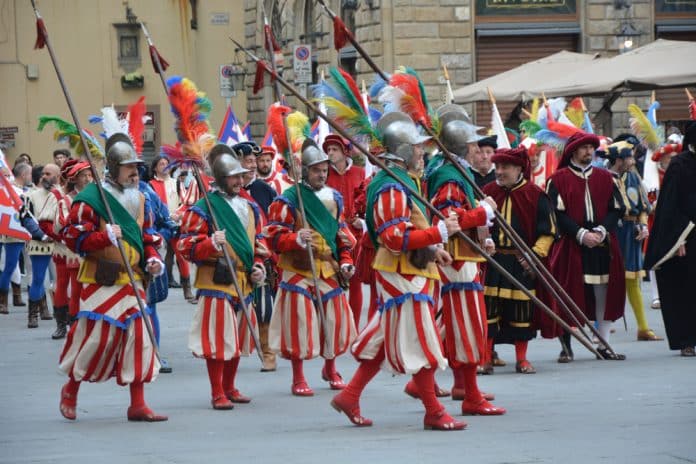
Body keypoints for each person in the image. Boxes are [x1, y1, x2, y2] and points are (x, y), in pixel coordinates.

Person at [331, 112, 465, 431]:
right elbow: (393, 239)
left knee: (383, 338)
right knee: (420, 338)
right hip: (400, 273)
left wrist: (434, 249)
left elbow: (408, 226)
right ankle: (433, 411)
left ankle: (350, 396)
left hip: (407, 269)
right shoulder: (391, 186)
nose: (422, 152)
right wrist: (439, 234)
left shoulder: (400, 179)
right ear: (403, 150)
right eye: (417, 147)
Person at [59, 133, 167, 421]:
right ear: (113, 167)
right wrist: (100, 237)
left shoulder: (141, 198)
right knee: (97, 340)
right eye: (129, 166)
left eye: (136, 166)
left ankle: (138, 403)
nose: (135, 171)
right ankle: (70, 390)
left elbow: (146, 237)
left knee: (140, 340)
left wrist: (154, 259)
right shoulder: (90, 199)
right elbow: (71, 236)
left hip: (134, 282)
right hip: (101, 282)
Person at [420, 105, 504, 413]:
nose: (476, 148)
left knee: (462, 324)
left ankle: (462, 386)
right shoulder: (449, 175)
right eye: (471, 143)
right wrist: (483, 213)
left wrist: (484, 233)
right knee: (467, 325)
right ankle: (471, 394)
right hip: (456, 259)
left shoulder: (455, 170)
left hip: (464, 254)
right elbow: (450, 217)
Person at [265, 139, 357, 397]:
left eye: (325, 169)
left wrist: (347, 260)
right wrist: (294, 239)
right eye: (316, 169)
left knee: (334, 320)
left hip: (327, 267)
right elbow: (273, 237)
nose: (322, 174)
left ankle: (331, 368)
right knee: (300, 323)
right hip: (299, 269)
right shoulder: (288, 200)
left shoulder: (334, 198)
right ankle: (298, 376)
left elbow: (340, 235)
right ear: (304, 170)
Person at [179, 151, 269, 409]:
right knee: (218, 338)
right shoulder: (203, 208)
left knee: (238, 337)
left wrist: (259, 266)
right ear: (220, 178)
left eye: (240, 176)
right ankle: (217, 391)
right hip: (215, 279)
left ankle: (230, 386)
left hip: (244, 279)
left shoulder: (250, 206)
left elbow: (259, 242)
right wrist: (209, 243)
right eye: (233, 177)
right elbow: (185, 246)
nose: (239, 181)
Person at [547, 131, 626, 362]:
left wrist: (601, 231)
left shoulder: (606, 177)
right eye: (584, 148)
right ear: (573, 151)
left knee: (605, 292)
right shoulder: (558, 179)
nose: (589, 151)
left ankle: (604, 345)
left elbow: (617, 209)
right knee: (567, 292)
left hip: (603, 243)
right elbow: (555, 213)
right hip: (571, 243)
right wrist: (580, 234)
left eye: (592, 148)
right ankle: (567, 346)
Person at [482, 146, 556, 374]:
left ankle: (522, 359)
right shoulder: (487, 191)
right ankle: (485, 358)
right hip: (492, 261)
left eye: (505, 167)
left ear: (518, 169)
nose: (499, 171)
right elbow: (477, 225)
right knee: (488, 312)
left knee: (521, 312)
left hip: (522, 262)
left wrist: (534, 255)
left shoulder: (535, 194)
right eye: (498, 167)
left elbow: (549, 231)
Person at [601, 141, 662, 342]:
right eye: (629, 157)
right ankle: (599, 327)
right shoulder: (602, 178)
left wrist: (643, 226)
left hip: (632, 233)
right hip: (613, 233)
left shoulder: (633, 176)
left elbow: (644, 207)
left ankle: (643, 328)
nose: (633, 161)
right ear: (618, 160)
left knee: (634, 281)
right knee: (606, 282)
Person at [645, 122, 696, 357]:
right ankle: (686, 339)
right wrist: (678, 240)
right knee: (685, 289)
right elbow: (670, 206)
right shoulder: (679, 165)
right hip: (686, 237)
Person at [235, 141, 279, 372]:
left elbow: (275, 220)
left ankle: (268, 352)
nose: (252, 166)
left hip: (261, 254)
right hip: (236, 257)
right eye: (248, 161)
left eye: (254, 161)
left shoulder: (265, 190)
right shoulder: (227, 193)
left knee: (264, 307)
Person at [324, 134, 366, 329]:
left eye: (334, 149)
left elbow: (366, 199)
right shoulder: (324, 174)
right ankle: (338, 327)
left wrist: (362, 220)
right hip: (332, 233)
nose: (330, 153)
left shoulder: (359, 172)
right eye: (328, 150)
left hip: (355, 235)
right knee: (333, 281)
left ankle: (355, 328)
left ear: (344, 152)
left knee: (355, 281)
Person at [53, 160, 92, 337]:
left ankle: (90, 324)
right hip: (74, 251)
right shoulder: (66, 200)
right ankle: (71, 325)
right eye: (84, 176)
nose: (88, 179)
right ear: (74, 179)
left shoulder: (96, 197)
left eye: (90, 175)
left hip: (95, 250)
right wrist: (82, 226)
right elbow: (60, 225)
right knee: (75, 290)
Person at [0, 166, 46, 315]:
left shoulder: (29, 190)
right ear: (25, 174)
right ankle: (3, 302)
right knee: (10, 266)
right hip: (14, 232)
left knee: (34, 268)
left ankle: (40, 303)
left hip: (30, 233)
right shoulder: (9, 191)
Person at [149, 155, 193, 300]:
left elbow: (185, 202)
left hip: (175, 224)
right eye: (161, 164)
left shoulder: (176, 183)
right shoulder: (150, 185)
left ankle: (187, 287)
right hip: (158, 225)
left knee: (180, 255)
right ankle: (154, 286)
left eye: (166, 163)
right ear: (155, 167)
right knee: (155, 254)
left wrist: (178, 214)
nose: (164, 166)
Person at [25, 163, 62, 327]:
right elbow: (25, 218)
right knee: (38, 278)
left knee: (62, 279)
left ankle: (62, 313)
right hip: (40, 241)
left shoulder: (63, 194)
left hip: (61, 242)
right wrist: (41, 234)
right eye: (43, 174)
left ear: (57, 176)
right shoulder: (31, 196)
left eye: (48, 174)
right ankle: (33, 314)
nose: (44, 176)